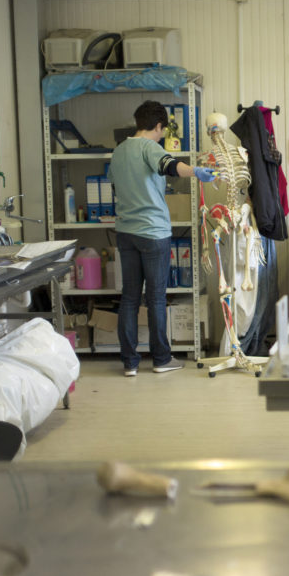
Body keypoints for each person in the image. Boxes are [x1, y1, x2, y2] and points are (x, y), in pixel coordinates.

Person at [108, 101, 216, 376]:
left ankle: (130, 363)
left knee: (130, 298)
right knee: (155, 298)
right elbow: (170, 165)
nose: (160, 136)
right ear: (158, 126)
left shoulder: (119, 151)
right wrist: (196, 172)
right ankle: (161, 359)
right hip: (153, 232)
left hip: (125, 232)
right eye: (161, 131)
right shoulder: (150, 147)